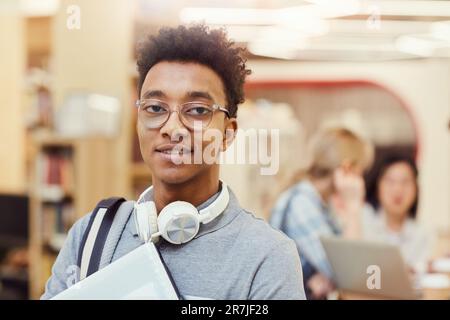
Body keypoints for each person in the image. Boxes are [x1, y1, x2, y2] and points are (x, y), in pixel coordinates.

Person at [41, 24, 305, 300]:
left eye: (198, 111)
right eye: (155, 108)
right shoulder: (92, 236)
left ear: (228, 133)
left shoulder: (267, 257)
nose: (173, 128)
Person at [270, 127, 374, 299]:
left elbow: (345, 267)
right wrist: (353, 206)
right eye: (360, 170)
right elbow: (351, 276)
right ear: (347, 168)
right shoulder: (301, 203)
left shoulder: (319, 202)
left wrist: (328, 277)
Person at [364, 154, 433, 273]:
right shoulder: (363, 220)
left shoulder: (423, 233)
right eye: (390, 181)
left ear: (416, 190)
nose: (398, 189)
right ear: (377, 187)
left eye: (405, 182)